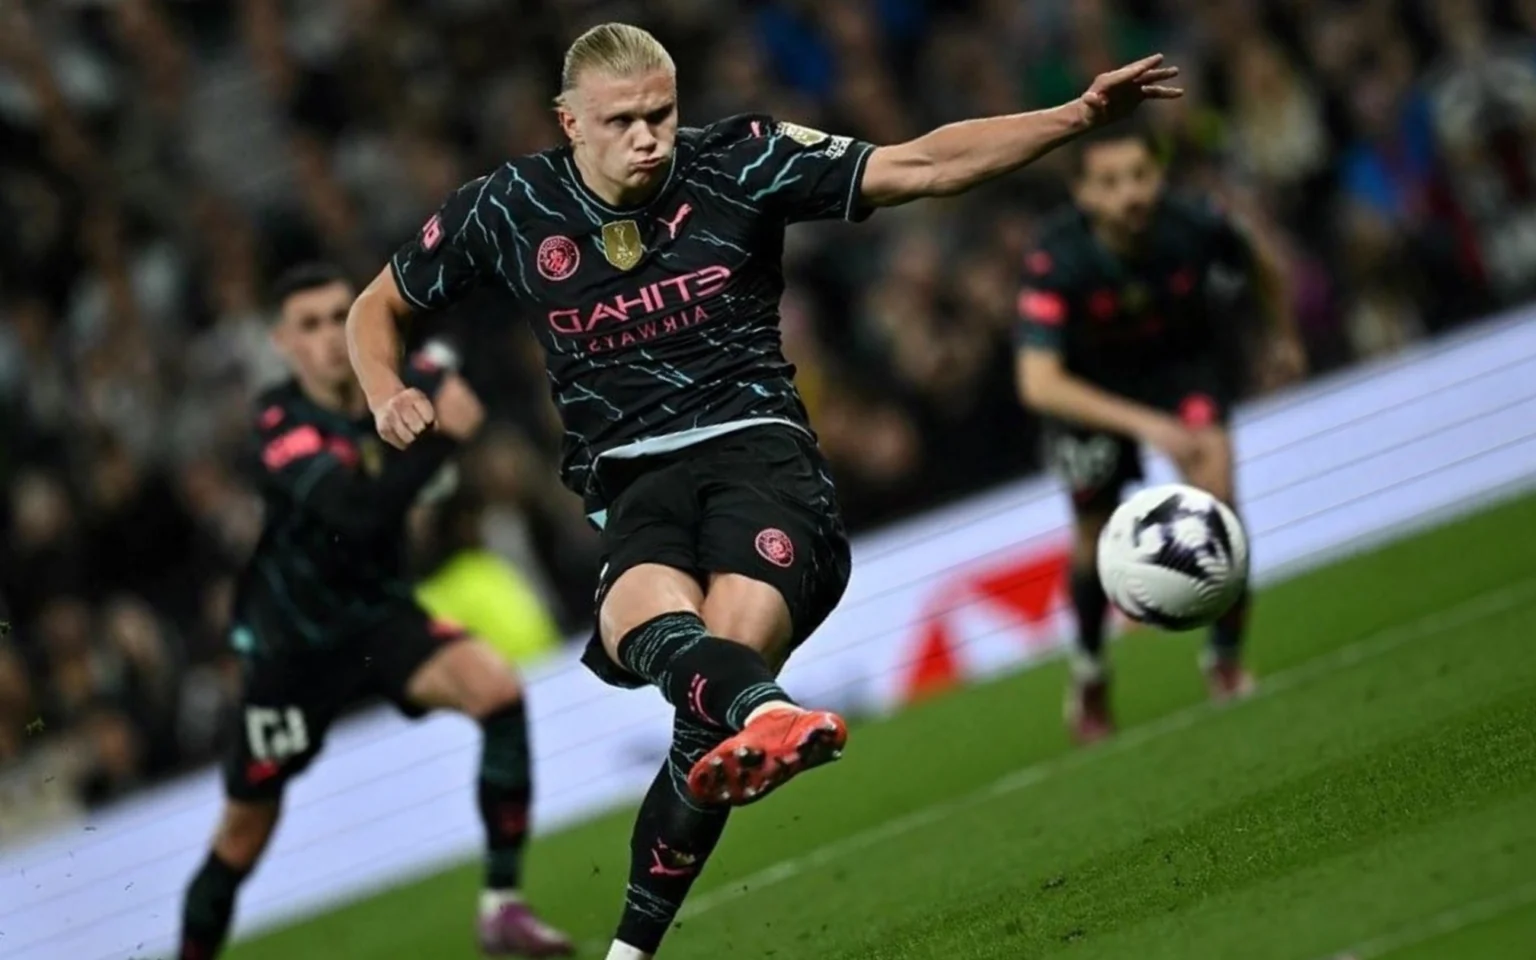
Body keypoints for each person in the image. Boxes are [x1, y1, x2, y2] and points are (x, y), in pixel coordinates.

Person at [345, 23, 1180, 959]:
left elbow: (926, 164)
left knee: (710, 677)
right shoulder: (508, 206)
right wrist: (386, 391)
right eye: (622, 121)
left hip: (759, 462)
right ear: (568, 121)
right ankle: (744, 748)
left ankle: (746, 724)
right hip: (634, 487)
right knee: (650, 641)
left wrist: (1074, 115)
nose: (650, 137)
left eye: (662, 112)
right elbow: (377, 306)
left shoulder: (743, 160)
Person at [178, 264, 572, 959]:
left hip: (380, 618)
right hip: (291, 651)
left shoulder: (401, 377)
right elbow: (354, 515)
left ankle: (502, 907)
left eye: (341, 317)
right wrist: (446, 437)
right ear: (282, 342)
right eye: (311, 325)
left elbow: (458, 345)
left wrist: (453, 387)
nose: (331, 338)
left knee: (498, 690)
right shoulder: (280, 424)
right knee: (243, 836)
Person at [1013, 123, 1306, 745]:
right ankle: (1091, 673)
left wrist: (1280, 335)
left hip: (1180, 370)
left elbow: (1263, 263)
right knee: (1092, 540)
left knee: (1219, 494)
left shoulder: (1195, 223)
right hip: (1091, 393)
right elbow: (1039, 383)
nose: (1131, 195)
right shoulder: (1056, 256)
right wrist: (1148, 427)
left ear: (1161, 176)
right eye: (1111, 183)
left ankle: (1225, 658)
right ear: (1083, 194)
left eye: (1141, 177)